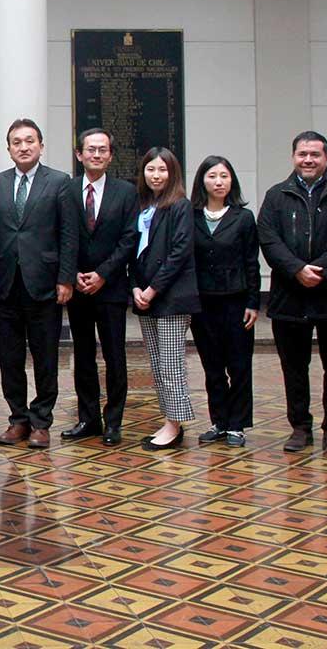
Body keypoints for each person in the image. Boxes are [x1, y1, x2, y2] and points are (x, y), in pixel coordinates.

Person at [257, 130, 327, 455]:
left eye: (315, 154)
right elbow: (268, 237)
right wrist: (295, 269)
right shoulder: (276, 195)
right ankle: (299, 427)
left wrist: (319, 269)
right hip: (290, 298)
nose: (308, 160)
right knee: (294, 367)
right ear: (293, 157)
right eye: (302, 154)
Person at [0, 119, 77, 449]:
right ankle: (18, 419)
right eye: (16, 142)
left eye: (29, 141)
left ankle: (41, 421)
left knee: (45, 356)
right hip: (6, 284)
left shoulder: (60, 182)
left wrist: (65, 278)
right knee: (9, 357)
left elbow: (67, 235)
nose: (23, 146)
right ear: (8, 149)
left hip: (45, 284)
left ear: (41, 145)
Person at [61, 128, 140, 446]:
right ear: (79, 155)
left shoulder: (126, 192)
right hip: (78, 287)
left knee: (114, 355)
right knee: (82, 355)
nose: (96, 154)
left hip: (110, 288)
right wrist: (75, 274)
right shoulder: (65, 191)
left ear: (110, 155)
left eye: (102, 150)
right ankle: (88, 418)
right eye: (90, 149)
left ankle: (114, 421)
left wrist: (103, 273)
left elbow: (129, 238)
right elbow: (63, 236)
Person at [129, 147, 200, 451]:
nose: (156, 176)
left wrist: (153, 289)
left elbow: (179, 252)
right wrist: (134, 287)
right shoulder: (143, 205)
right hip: (145, 297)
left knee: (172, 365)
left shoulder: (180, 206)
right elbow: (133, 252)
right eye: (150, 170)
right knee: (157, 365)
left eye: (162, 170)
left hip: (170, 297)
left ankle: (175, 423)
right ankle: (169, 418)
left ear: (172, 174)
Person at [189, 155, 260, 448]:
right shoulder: (190, 216)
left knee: (239, 366)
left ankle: (237, 425)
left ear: (232, 181)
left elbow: (252, 263)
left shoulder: (243, 218)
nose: (218, 182)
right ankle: (219, 421)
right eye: (212, 176)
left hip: (236, 302)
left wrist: (254, 303)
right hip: (203, 304)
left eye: (224, 176)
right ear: (202, 181)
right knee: (212, 367)